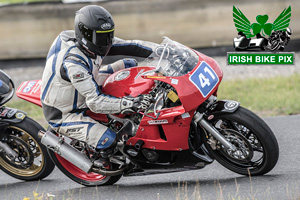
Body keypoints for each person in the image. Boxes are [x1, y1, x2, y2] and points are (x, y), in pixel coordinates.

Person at [40, 5, 158, 166]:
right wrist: (130, 104)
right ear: (85, 35)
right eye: (102, 38)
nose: (107, 42)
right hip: (66, 112)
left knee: (130, 63)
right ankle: (100, 159)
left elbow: (132, 46)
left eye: (109, 35)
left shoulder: (86, 42)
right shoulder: (74, 64)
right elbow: (94, 102)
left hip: (87, 82)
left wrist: (162, 50)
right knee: (109, 140)